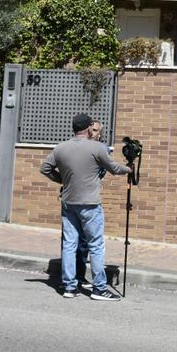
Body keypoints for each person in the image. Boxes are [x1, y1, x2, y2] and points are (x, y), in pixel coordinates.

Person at [40, 113, 131, 300]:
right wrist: (130, 169)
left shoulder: (61, 147)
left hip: (68, 203)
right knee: (96, 245)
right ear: (89, 128)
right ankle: (99, 289)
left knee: (69, 244)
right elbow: (114, 168)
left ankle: (69, 287)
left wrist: (63, 181)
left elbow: (45, 168)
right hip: (89, 204)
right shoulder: (96, 147)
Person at [74, 119, 109, 284]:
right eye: (90, 129)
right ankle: (75, 276)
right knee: (73, 240)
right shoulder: (76, 145)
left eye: (95, 130)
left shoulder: (102, 149)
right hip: (73, 197)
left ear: (100, 133)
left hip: (90, 198)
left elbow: (101, 173)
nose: (91, 132)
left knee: (88, 241)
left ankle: (81, 276)